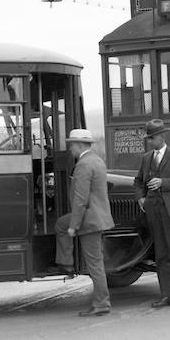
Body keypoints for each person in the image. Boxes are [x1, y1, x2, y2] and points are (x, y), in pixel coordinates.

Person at [46, 128, 115, 317]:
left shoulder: (84, 165)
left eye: (71, 146)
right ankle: (100, 301)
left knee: (95, 265)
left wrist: (73, 226)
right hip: (98, 218)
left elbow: (80, 199)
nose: (70, 150)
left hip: (89, 221)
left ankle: (102, 303)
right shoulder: (97, 160)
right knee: (96, 263)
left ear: (78, 145)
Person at [133, 118, 170, 310]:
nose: (149, 142)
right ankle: (168, 295)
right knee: (161, 255)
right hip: (155, 211)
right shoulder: (146, 158)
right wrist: (141, 198)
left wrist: (163, 183)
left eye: (151, 138)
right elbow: (138, 181)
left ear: (160, 136)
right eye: (148, 139)